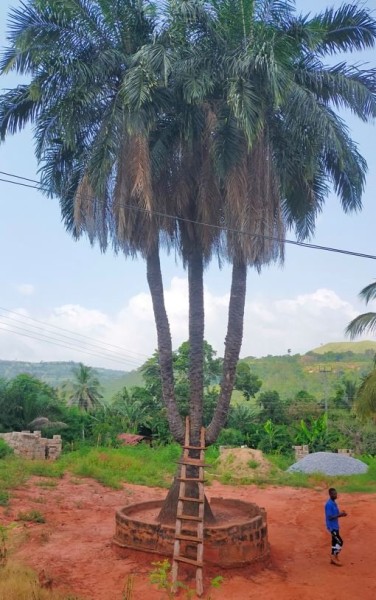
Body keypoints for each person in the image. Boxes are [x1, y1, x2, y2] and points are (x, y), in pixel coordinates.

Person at [324, 487, 347, 566]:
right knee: (340, 542)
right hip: (332, 527)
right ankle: (333, 556)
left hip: (335, 526)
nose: (336, 495)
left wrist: (341, 514)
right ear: (330, 494)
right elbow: (329, 517)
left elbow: (335, 515)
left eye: (336, 493)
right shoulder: (329, 504)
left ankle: (333, 559)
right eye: (334, 494)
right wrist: (340, 514)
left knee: (334, 542)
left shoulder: (333, 502)